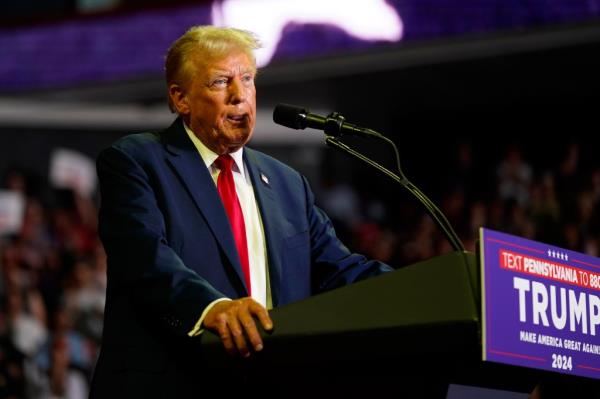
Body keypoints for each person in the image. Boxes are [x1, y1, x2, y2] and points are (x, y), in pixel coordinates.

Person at [89, 25, 393, 397]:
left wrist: (426, 285)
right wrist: (211, 307)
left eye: (247, 79)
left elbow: (339, 269)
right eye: (220, 82)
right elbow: (143, 257)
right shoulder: (137, 160)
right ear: (180, 98)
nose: (239, 96)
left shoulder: (286, 183)